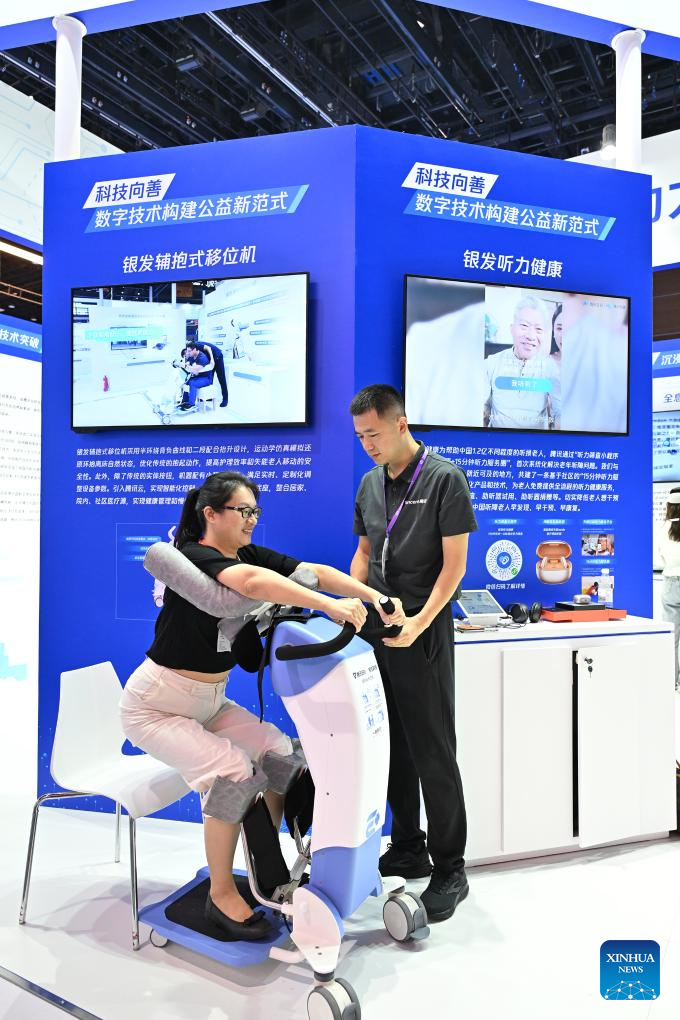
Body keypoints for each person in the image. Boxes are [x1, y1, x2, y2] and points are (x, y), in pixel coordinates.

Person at [119, 471, 402, 941]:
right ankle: (220, 894)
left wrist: (374, 596)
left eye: (255, 511)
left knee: (280, 752)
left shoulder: (247, 552)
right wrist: (328, 606)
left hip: (208, 701)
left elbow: (314, 571)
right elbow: (250, 583)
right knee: (231, 772)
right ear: (211, 514)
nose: (252, 520)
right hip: (156, 706)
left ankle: (263, 869)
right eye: (243, 511)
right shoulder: (196, 557)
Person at [349, 384, 477, 923]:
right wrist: (357, 602)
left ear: (401, 424)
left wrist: (420, 623)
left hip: (423, 628)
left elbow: (455, 566)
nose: (368, 445)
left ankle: (451, 868)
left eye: (374, 434)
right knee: (391, 746)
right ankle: (407, 846)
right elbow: (362, 552)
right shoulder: (369, 484)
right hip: (378, 628)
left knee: (432, 748)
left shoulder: (444, 478)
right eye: (360, 437)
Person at [483, 294, 560, 430]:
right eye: (524, 325)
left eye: (538, 329)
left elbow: (559, 412)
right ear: (512, 329)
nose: (531, 336)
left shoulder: (550, 368)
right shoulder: (492, 363)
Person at [656, 491, 680, 691]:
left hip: (670, 583)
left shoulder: (662, 528)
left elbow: (659, 558)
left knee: (672, 637)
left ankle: (672, 681)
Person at [192, 338, 229, 407]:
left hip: (217, 357)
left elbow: (208, 348)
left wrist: (212, 360)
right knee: (209, 377)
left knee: (221, 378)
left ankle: (225, 399)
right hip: (210, 360)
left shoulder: (197, 345)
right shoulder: (193, 352)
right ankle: (209, 396)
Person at [180, 342, 214, 410]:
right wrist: (185, 364)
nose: (188, 353)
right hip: (198, 376)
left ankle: (191, 404)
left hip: (206, 379)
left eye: (189, 351)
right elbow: (188, 363)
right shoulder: (192, 355)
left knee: (193, 383)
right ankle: (185, 401)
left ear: (195, 349)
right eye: (187, 351)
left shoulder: (202, 358)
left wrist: (185, 366)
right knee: (186, 381)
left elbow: (196, 369)